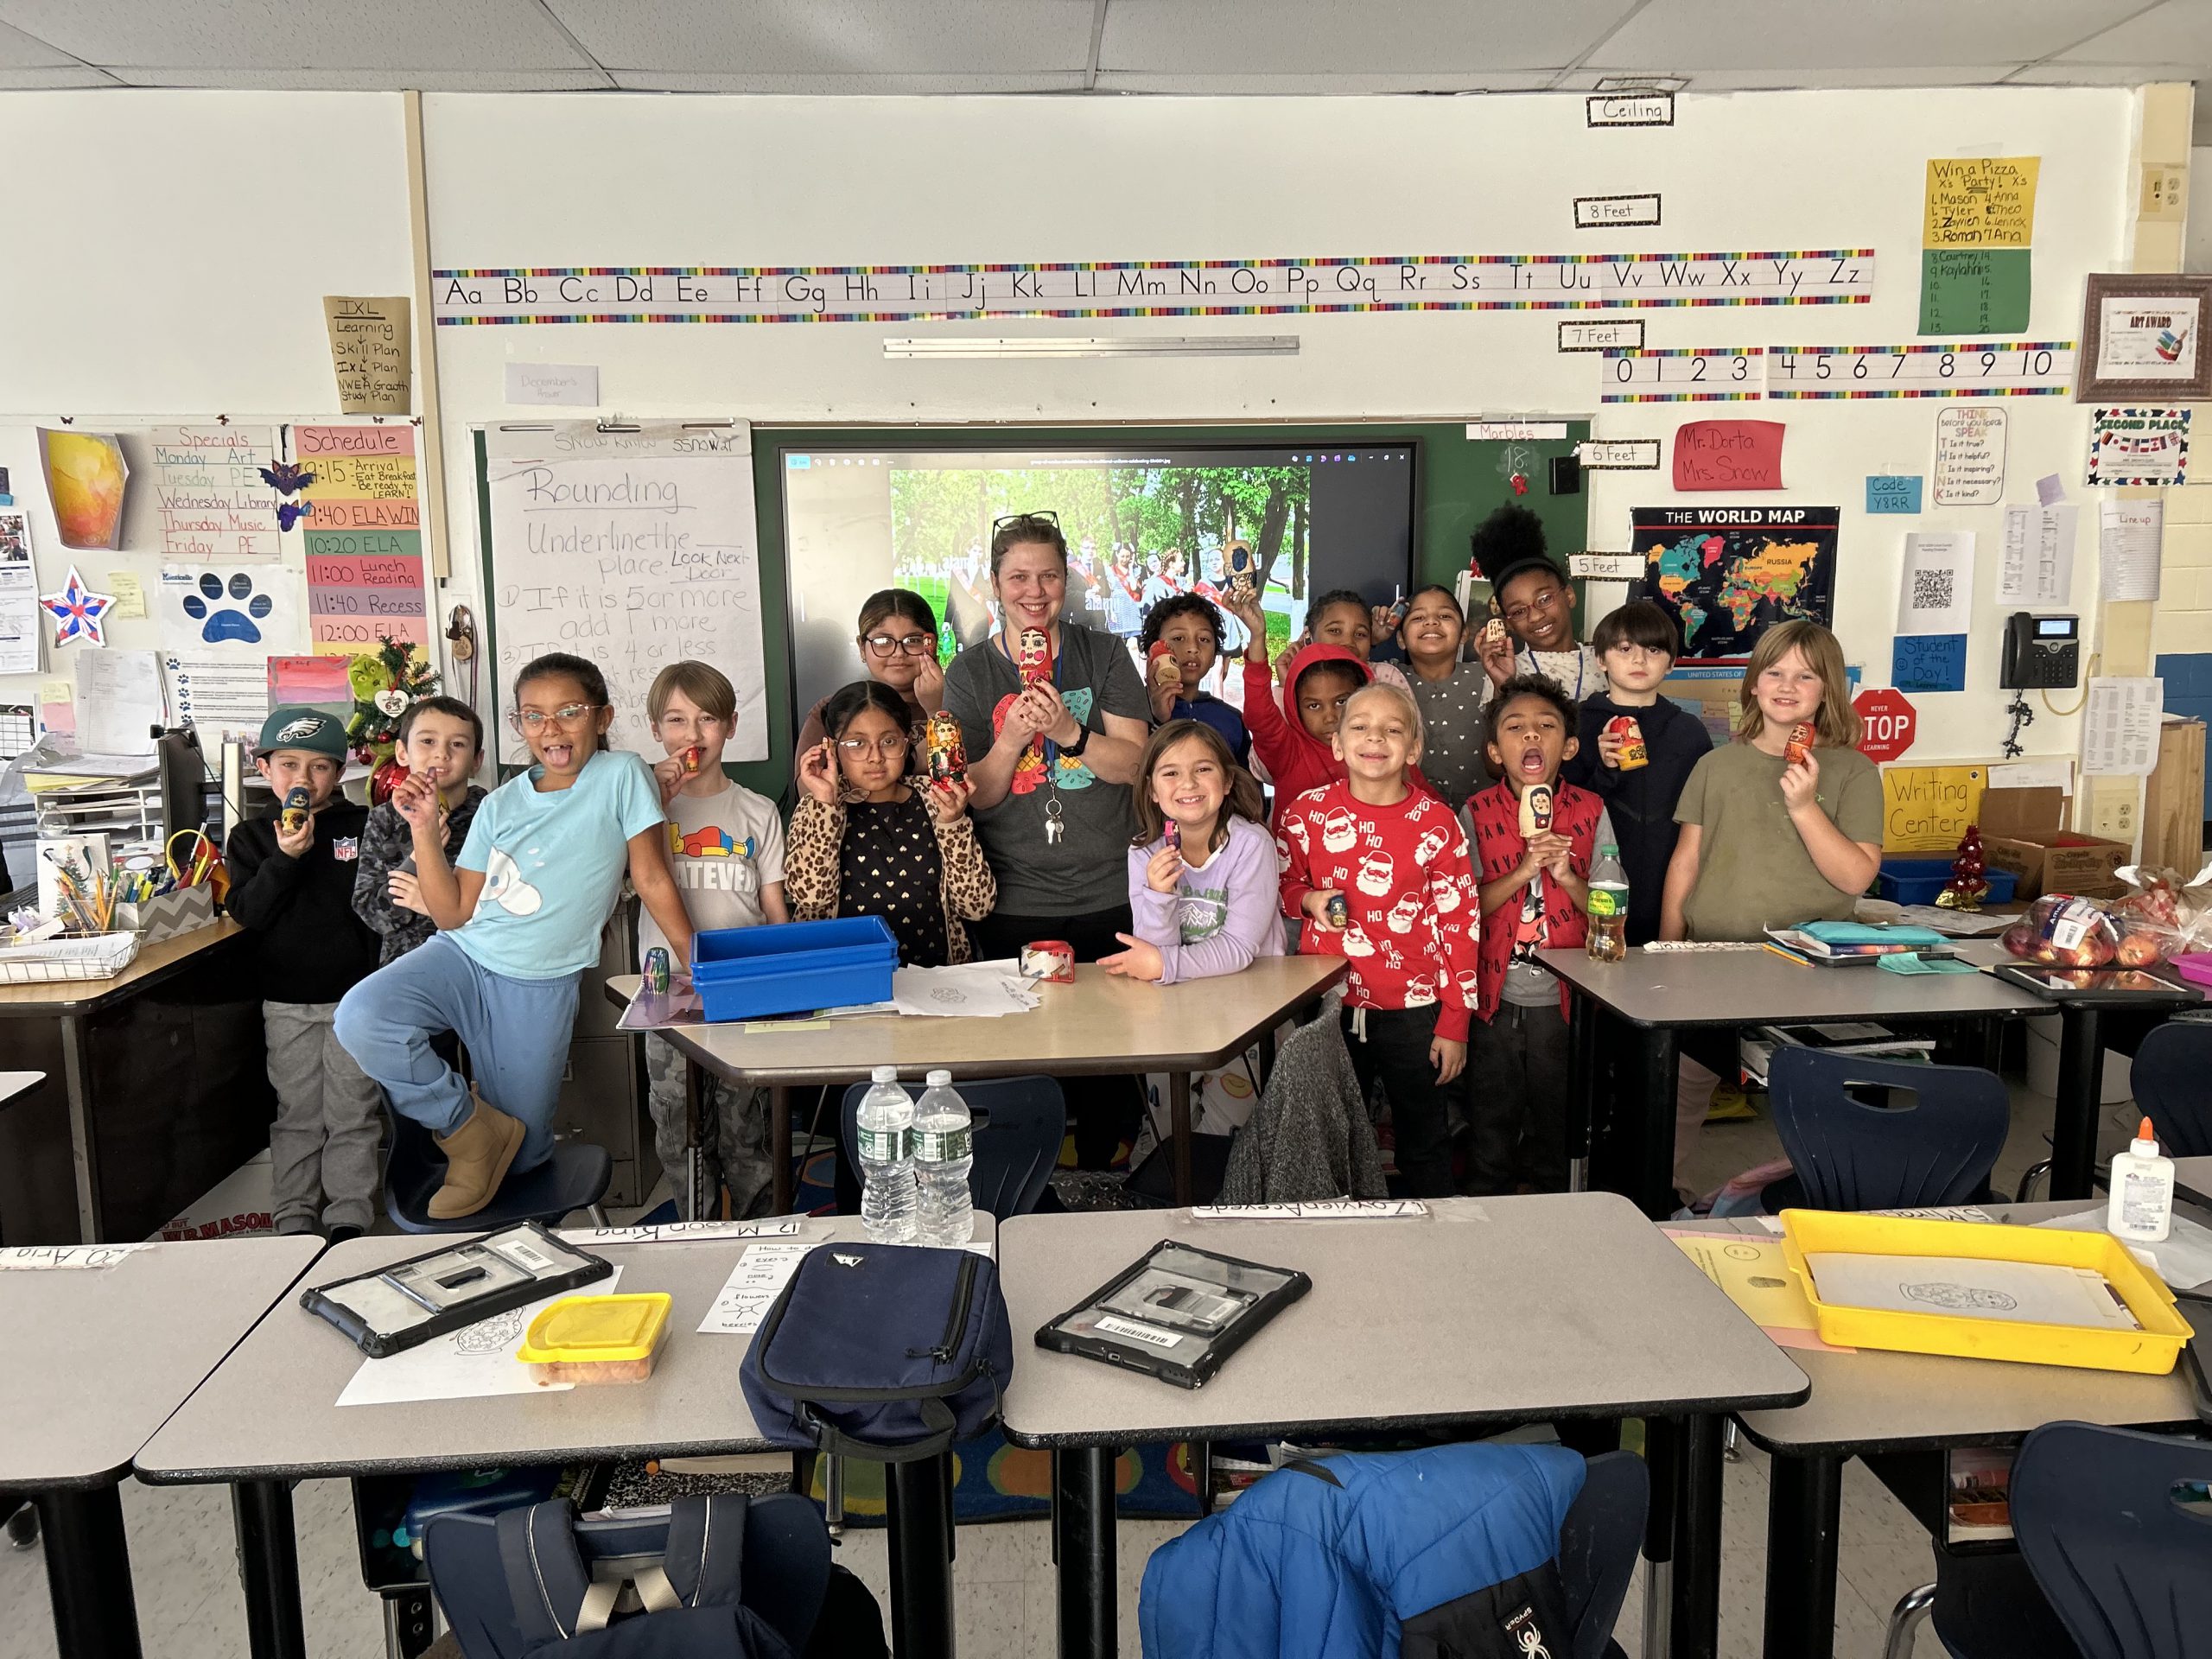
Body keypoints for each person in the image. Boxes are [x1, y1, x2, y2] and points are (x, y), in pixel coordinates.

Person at [335, 653, 693, 1220]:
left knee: (525, 1158)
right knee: (361, 1017)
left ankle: (519, 1233)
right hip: (463, 955)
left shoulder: (623, 774)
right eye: (534, 716)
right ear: (519, 725)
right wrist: (425, 830)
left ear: (602, 717)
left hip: (536, 983)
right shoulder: (499, 803)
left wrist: (694, 959)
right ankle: (467, 1131)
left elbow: (650, 876)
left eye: (569, 711)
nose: (551, 728)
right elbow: (452, 913)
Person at [943, 511, 1150, 1165]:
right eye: (1018, 577)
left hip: (1109, 891)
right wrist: (1011, 738)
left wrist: (1070, 735)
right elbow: (976, 790)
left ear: (1068, 580)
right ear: (996, 583)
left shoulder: (1104, 653)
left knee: (1111, 1056)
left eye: (1049, 576)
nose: (1035, 592)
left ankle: (1102, 1169)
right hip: (1016, 897)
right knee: (1028, 1055)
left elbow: (1136, 764)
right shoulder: (971, 672)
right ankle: (1035, 1179)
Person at [1661, 620, 1883, 1196]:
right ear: (1753, 685)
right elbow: (1687, 861)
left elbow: (1857, 874)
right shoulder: (1717, 766)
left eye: (1806, 675)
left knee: (1815, 1093)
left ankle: (1820, 1196)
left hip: (1812, 969)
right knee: (1682, 1087)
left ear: (1829, 689)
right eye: (1775, 672)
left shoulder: (1853, 769)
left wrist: (1806, 806)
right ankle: (1666, 1193)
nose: (1787, 685)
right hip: (1713, 957)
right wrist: (1666, 948)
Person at [1276, 683, 1479, 1198]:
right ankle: (1341, 1239)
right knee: (1331, 1136)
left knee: (1424, 1137)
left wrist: (1455, 1020)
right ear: (1338, 744)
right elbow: (1281, 886)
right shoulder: (1305, 815)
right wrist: (1308, 901)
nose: (1376, 739)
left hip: (1417, 1010)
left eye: (1393, 730)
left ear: (1413, 749)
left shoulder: (1438, 823)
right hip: (1327, 1002)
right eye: (1360, 727)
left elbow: (1461, 923)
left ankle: (1434, 1241)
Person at [226, 707, 383, 1243]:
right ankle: (292, 1219)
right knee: (296, 1114)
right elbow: (249, 911)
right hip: (287, 1003)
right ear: (265, 768)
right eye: (288, 764)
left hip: (355, 1003)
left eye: (319, 766)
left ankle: (349, 1217)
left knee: (353, 1112)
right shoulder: (249, 837)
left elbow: (378, 915)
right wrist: (286, 858)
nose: (302, 778)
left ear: (339, 774)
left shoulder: (362, 828)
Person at [641, 660, 788, 1221]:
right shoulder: (643, 808)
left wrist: (783, 988)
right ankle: (696, 1226)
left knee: (746, 1126)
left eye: (706, 719)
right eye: (676, 720)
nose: (692, 734)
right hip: (665, 989)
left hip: (743, 988)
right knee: (678, 1123)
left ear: (730, 725)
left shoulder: (757, 810)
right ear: (656, 729)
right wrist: (651, 799)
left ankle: (759, 1229)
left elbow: (773, 907)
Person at [1465, 675, 1613, 1196]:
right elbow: (1464, 910)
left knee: (1559, 1127)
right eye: (1516, 728)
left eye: (1546, 727)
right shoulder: (1476, 813)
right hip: (1494, 1000)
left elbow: (1613, 913)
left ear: (1569, 746)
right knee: (1491, 1128)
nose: (1531, 738)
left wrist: (1569, 875)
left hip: (1565, 1002)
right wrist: (1523, 872)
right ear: (1494, 750)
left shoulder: (1591, 811)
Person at [787, 679, 995, 967]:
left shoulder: (936, 798)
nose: (875, 757)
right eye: (856, 744)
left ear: (907, 741)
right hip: (846, 976)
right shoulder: (817, 807)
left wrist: (953, 822)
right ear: (832, 748)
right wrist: (825, 804)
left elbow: (977, 906)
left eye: (888, 741)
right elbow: (810, 896)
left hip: (934, 978)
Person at [1561, 600, 1712, 946]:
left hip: (1670, 885)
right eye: (1625, 648)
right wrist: (1603, 768)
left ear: (1672, 663)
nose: (1639, 660)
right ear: (1601, 659)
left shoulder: (1689, 732)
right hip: (1591, 887)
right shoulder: (1578, 725)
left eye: (1654, 649)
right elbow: (1564, 810)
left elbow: (1703, 821)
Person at [1101, 720, 1282, 984]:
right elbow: (1152, 954)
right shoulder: (1143, 853)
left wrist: (1165, 964)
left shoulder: (1252, 844)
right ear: (1152, 789)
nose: (1188, 783)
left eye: (1203, 769)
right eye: (1171, 773)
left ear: (1227, 781)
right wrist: (1158, 896)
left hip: (1254, 995)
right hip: (1184, 997)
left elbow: (1240, 947)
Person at [353, 696, 488, 964]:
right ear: (402, 752)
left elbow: (508, 909)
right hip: (405, 967)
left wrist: (431, 904)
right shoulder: (386, 819)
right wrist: (419, 855)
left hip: (476, 967)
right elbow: (371, 912)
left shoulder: (491, 816)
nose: (442, 753)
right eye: (427, 741)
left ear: (476, 760)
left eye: (458, 744)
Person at [1467, 504, 1607, 706]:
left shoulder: (1606, 659)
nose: (1534, 616)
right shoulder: (1507, 669)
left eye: (1544, 599)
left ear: (1569, 595)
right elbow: (1494, 737)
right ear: (1510, 624)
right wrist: (1502, 684)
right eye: (1519, 611)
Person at [793, 588, 944, 774]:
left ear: (932, 645)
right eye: (882, 641)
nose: (899, 653)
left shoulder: (963, 701)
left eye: (913, 640)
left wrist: (936, 711)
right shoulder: (832, 710)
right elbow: (808, 791)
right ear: (862, 648)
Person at [1396, 584, 1490, 807]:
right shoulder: (1388, 677)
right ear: (1400, 639)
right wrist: (1374, 637)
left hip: (1480, 813)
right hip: (1410, 815)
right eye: (1418, 618)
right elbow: (1346, 669)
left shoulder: (1487, 675)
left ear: (1464, 634)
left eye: (1445, 615)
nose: (1431, 622)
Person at [1140, 592, 1250, 767]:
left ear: (1215, 655)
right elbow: (1135, 774)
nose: (1193, 648)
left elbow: (1247, 788)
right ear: (1152, 649)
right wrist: (1158, 720)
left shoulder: (1231, 719)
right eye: (1178, 638)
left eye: (1204, 639)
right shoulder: (1129, 715)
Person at [1293, 588, 1411, 691]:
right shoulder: (1299, 683)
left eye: (1360, 634)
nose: (1348, 642)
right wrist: (1287, 683)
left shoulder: (1387, 679)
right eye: (1335, 631)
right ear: (1308, 637)